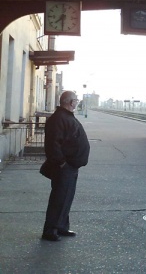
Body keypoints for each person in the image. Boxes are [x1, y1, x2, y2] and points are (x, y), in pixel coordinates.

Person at [41, 91, 90, 241]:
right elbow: (53, 144)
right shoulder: (59, 118)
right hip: (64, 167)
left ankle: (61, 226)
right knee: (59, 198)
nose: (77, 102)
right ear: (70, 102)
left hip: (70, 166)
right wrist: (61, 163)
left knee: (66, 197)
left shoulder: (65, 116)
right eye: (76, 99)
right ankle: (50, 230)